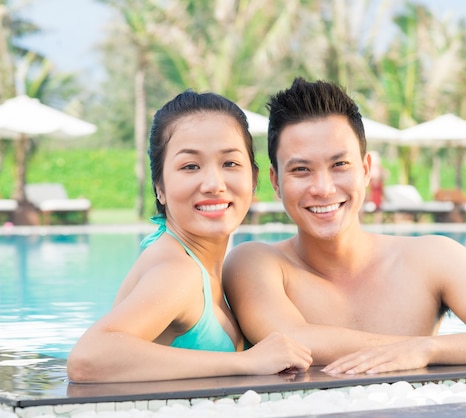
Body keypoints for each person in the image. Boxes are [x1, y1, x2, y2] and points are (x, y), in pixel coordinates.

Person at [223, 78, 466, 375]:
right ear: (276, 182)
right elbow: (290, 339)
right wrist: (407, 346)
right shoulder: (255, 263)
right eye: (301, 170)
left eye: (339, 164)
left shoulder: (430, 258)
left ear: (366, 170)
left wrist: (427, 350)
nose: (323, 188)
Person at [67, 90, 312, 383]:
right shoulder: (178, 272)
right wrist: (246, 361)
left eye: (230, 163)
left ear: (254, 178)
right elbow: (87, 360)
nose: (213, 184)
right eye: (190, 166)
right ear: (160, 186)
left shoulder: (208, 266)